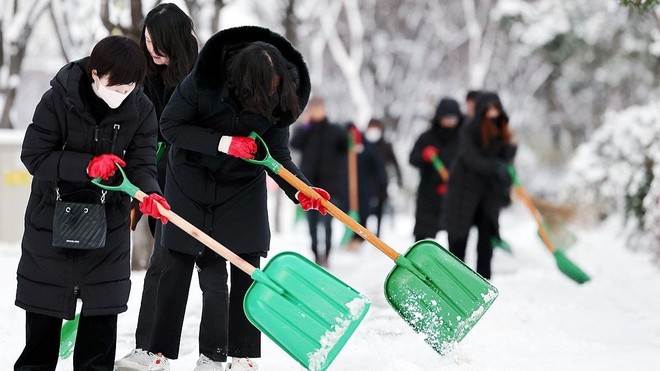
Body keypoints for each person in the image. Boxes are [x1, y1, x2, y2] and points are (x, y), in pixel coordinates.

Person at [123, 26, 325, 371]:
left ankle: (240, 355)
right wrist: (223, 142)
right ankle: (157, 352)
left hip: (242, 187)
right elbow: (170, 127)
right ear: (240, 81)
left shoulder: (281, 94)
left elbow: (277, 154)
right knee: (176, 262)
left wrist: (301, 190)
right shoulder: (203, 81)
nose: (269, 95)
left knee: (247, 264)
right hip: (190, 177)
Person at [16, 35, 167, 370]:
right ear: (95, 74)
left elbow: (143, 164)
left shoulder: (141, 109)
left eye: (130, 88)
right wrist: (85, 166)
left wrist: (150, 193)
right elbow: (34, 156)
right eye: (117, 87)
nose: (123, 96)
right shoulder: (58, 99)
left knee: (98, 343)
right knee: (40, 342)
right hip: (50, 225)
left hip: (107, 230)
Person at [114, 3, 206, 370]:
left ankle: (219, 354)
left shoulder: (202, 77)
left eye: (159, 42)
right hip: (157, 185)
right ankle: (151, 350)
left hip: (200, 186)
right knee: (162, 263)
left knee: (209, 273)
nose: (151, 50)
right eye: (147, 40)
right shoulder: (144, 76)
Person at [443, 91, 517, 279]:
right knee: (459, 239)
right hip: (463, 192)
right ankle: (455, 280)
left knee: (486, 238)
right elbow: (471, 159)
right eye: (488, 109)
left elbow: (506, 159)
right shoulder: (469, 130)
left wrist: (506, 175)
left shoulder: (503, 132)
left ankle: (484, 281)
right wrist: (496, 166)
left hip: (488, 195)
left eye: (496, 109)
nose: (492, 113)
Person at [290, 97, 347, 267]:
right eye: (313, 109)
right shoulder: (306, 130)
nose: (316, 112)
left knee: (328, 222)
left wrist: (351, 134)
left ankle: (327, 254)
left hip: (331, 185)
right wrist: (305, 126)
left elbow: (346, 146)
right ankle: (316, 254)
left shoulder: (335, 130)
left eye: (318, 109)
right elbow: (294, 144)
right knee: (312, 224)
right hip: (309, 185)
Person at [409, 98, 463, 242]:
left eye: (453, 118)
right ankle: (419, 262)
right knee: (423, 234)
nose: (449, 122)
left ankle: (453, 264)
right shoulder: (427, 137)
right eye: (446, 118)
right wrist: (423, 156)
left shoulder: (462, 138)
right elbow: (412, 159)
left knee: (456, 236)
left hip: (454, 194)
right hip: (428, 194)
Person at [363, 118, 402, 237]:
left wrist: (399, 179)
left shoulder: (386, 145)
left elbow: (394, 163)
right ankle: (362, 233)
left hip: (381, 183)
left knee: (379, 209)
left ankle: (378, 234)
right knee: (364, 209)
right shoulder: (362, 144)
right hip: (365, 183)